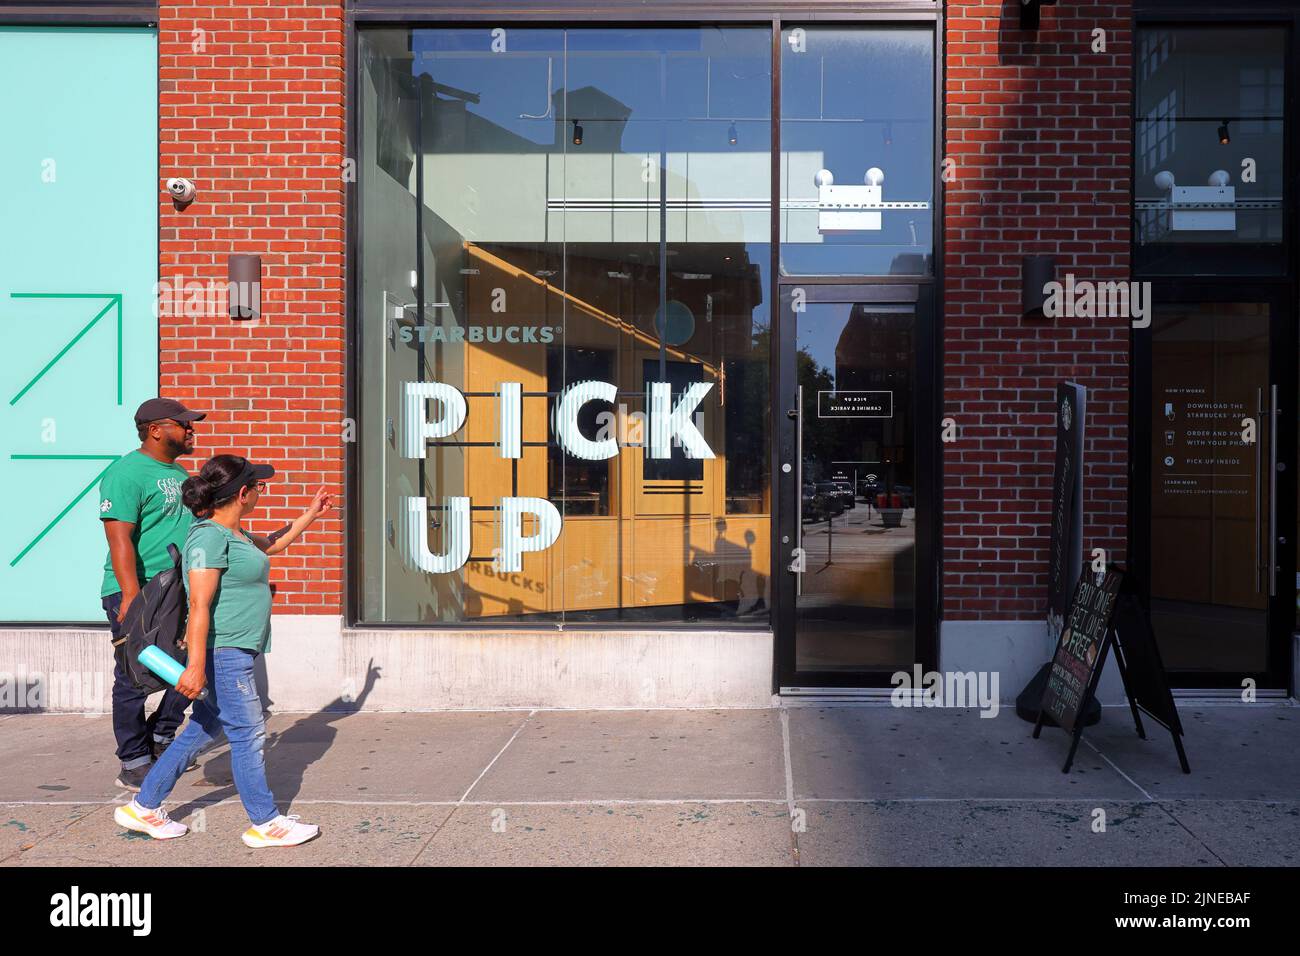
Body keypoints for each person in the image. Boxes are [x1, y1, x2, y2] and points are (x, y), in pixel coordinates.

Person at [114, 454, 333, 847]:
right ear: (243, 493)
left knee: (203, 728)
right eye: (259, 487)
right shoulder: (209, 536)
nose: (262, 493)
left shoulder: (238, 535)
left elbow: (276, 543)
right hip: (223, 651)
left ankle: (144, 808)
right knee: (248, 732)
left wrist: (311, 514)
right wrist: (195, 667)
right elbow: (199, 605)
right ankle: (265, 823)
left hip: (238, 650)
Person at [100, 398, 206, 790]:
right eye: (183, 424)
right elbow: (119, 539)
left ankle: (161, 739)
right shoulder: (125, 473)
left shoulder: (178, 473)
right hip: (138, 593)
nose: (191, 430)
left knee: (188, 668)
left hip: (176, 592)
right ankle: (133, 761)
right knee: (133, 679)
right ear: (156, 429)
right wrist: (130, 596)